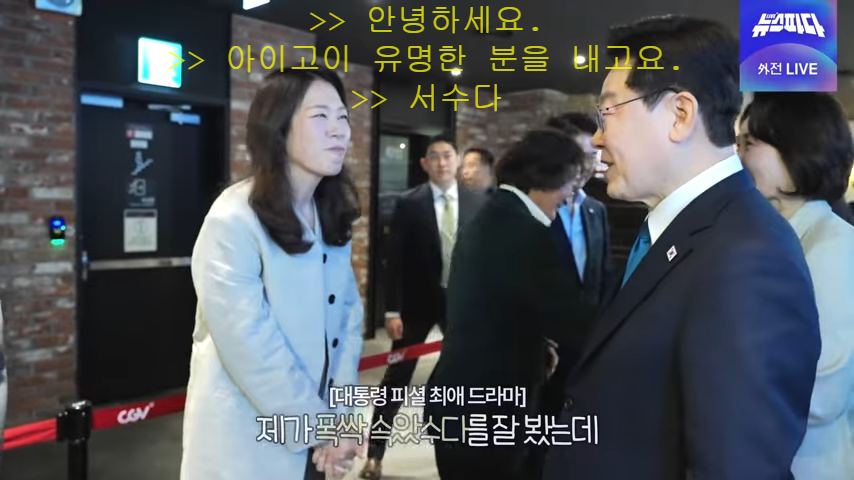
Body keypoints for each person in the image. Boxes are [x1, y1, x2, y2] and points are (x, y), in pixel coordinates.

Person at [543, 15, 820, 480]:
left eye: (608, 112)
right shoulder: (680, 229)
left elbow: (735, 466)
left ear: (680, 115)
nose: (597, 138)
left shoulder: (747, 257)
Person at [181, 69, 365, 480]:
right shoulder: (233, 219)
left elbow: (347, 322)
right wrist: (323, 430)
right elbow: (250, 346)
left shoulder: (329, 214)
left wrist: (342, 417)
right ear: (278, 126)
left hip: (318, 437)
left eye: (342, 117)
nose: (339, 130)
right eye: (320, 116)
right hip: (250, 440)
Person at [425, 128, 587, 480]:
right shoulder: (525, 231)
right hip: (488, 414)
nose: (570, 195)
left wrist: (536, 345)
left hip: (460, 405)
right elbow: (572, 322)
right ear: (547, 175)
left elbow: (499, 305)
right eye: (571, 182)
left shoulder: (496, 213)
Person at [740, 92, 854, 480]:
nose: (737, 156)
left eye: (750, 143)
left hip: (807, 465)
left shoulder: (834, 245)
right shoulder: (775, 235)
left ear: (798, 150)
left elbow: (821, 392)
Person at [359, 136, 487, 480]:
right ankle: (375, 454)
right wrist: (391, 311)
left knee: (467, 377)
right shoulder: (409, 203)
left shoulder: (478, 202)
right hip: (416, 306)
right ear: (424, 164)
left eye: (447, 156)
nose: (442, 162)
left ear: (457, 161)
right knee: (396, 379)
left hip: (460, 304)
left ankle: (463, 452)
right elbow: (394, 261)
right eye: (435, 157)